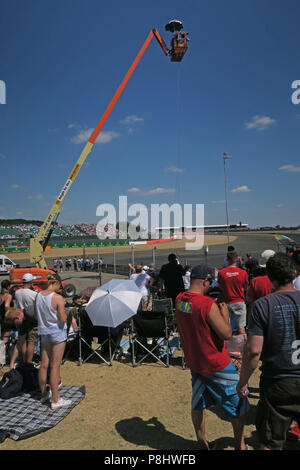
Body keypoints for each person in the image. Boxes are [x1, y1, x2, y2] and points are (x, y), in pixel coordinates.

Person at [175, 265, 250, 450]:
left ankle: (202, 443)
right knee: (239, 402)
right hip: (216, 363)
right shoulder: (207, 304)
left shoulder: (179, 300)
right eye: (210, 283)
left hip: (195, 361)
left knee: (198, 402)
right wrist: (224, 315)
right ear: (205, 282)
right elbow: (225, 334)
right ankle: (240, 445)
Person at [237, 253, 300, 450]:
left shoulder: (263, 305)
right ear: (294, 273)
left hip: (278, 380)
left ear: (269, 276)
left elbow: (254, 350)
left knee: (271, 441)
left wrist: (243, 380)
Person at [35, 274, 72, 410]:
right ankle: (55, 399)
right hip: (56, 333)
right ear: (56, 283)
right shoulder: (57, 298)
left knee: (44, 364)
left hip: (44, 331)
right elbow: (62, 319)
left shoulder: (38, 296)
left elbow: (35, 314)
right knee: (55, 366)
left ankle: (44, 393)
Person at [10, 273, 38, 368]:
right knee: (31, 341)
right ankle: (29, 362)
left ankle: (22, 360)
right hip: (31, 318)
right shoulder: (34, 294)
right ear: (31, 282)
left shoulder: (17, 292)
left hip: (20, 317)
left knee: (22, 340)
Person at [218, 251, 249, 335]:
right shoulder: (243, 273)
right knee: (241, 327)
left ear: (227, 260)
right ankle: (242, 346)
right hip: (239, 301)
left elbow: (220, 286)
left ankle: (227, 346)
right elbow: (245, 287)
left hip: (227, 302)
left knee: (226, 327)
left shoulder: (221, 273)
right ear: (237, 260)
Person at [0, 279, 14, 344]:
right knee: (7, 334)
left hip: (1, 317)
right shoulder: (8, 296)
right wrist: (12, 312)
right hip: (6, 318)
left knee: (3, 334)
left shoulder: (1, 295)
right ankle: (5, 350)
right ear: (8, 287)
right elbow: (6, 306)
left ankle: (2, 349)